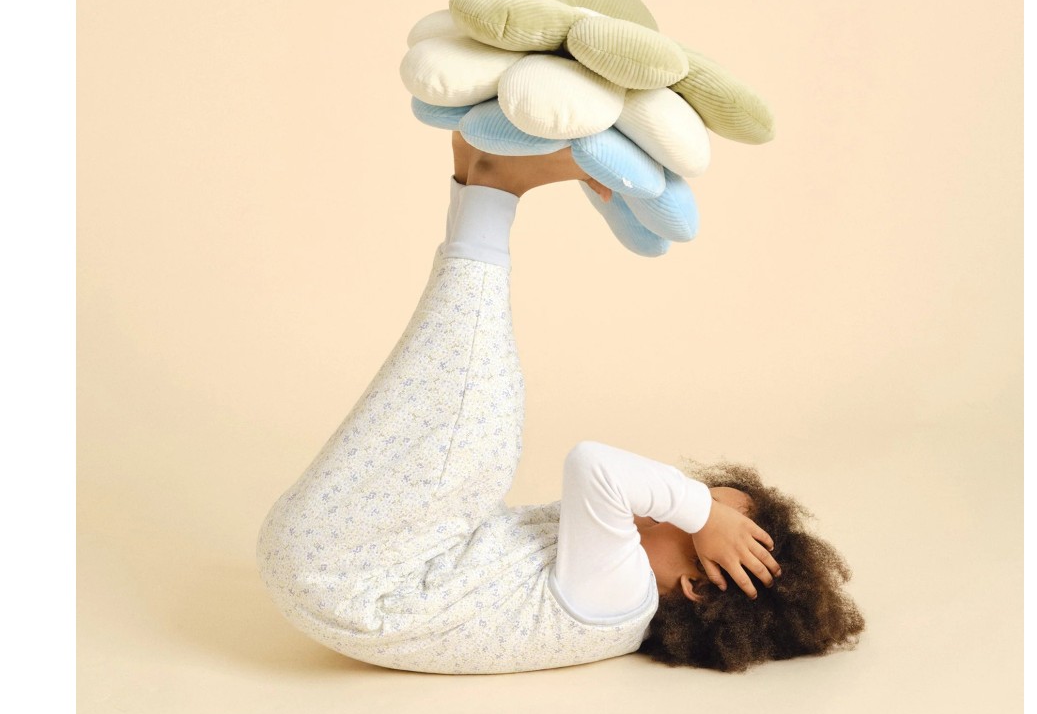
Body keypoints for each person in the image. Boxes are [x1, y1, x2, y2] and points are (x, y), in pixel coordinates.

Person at [256, 133, 865, 675]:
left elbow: (595, 467)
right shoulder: (611, 594)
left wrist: (704, 512)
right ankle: (480, 182)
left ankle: (495, 186)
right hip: (342, 568)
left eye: (687, 527)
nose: (663, 508)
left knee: (476, 426)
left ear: (698, 588)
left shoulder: (619, 600)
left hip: (346, 572)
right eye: (692, 498)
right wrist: (702, 517)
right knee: (460, 407)